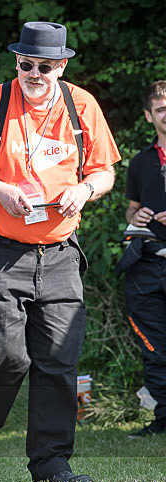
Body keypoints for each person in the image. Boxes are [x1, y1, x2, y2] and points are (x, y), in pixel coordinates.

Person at [0, 21, 120, 482]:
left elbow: (104, 172)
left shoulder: (82, 106)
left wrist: (85, 190)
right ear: (17, 62)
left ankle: (51, 464)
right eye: (27, 65)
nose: (34, 74)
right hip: (0, 252)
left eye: (45, 66)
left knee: (59, 362)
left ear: (61, 66)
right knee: (4, 356)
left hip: (61, 253)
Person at [119, 80, 166, 438]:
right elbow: (131, 210)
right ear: (149, 116)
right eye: (161, 109)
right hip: (146, 263)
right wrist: (136, 217)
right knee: (155, 347)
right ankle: (163, 417)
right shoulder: (140, 161)